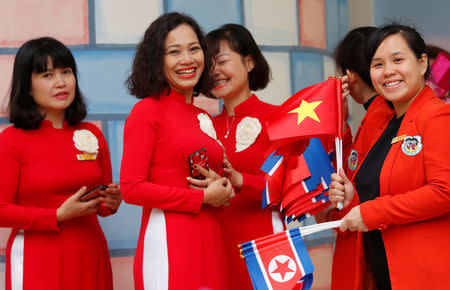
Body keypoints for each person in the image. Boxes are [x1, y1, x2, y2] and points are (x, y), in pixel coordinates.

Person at [329, 23, 450, 290]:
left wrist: (371, 211)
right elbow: (382, 192)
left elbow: (445, 192)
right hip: (385, 272)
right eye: (378, 64)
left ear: (421, 63)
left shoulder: (436, 116)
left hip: (426, 274)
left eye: (398, 60)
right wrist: (351, 199)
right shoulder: (387, 125)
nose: (388, 71)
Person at [120, 12, 234, 290]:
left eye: (194, 49)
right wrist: (201, 198)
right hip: (169, 240)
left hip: (212, 236)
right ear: (157, 61)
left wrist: (225, 187)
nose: (187, 59)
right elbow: (130, 188)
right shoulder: (146, 111)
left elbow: (211, 177)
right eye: (174, 52)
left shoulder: (201, 116)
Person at [0, 37, 122, 290]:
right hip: (38, 257)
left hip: (90, 251)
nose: (61, 82)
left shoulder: (93, 134)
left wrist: (111, 202)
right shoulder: (11, 140)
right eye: (47, 75)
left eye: (66, 72)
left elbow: (102, 204)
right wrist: (56, 216)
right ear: (27, 86)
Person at [189, 23, 284, 289]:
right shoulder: (201, 125)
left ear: (250, 62)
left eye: (222, 61)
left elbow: (292, 188)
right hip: (213, 245)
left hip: (264, 242)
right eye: (208, 65)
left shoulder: (278, 119)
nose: (215, 72)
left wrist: (243, 180)